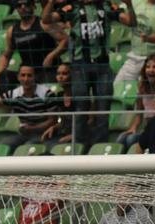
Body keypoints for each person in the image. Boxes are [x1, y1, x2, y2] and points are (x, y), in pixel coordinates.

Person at [43, 0, 131, 145]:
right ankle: (78, 146)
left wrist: (129, 5)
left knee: (103, 107)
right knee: (81, 107)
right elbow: (46, 19)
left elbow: (130, 22)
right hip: (80, 64)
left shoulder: (107, 5)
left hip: (102, 64)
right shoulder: (72, 8)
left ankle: (100, 147)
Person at [0, 0, 65, 94]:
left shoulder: (44, 24)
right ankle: (6, 106)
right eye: (19, 5)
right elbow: (6, 56)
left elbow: (65, 40)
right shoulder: (12, 31)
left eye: (26, 4)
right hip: (28, 73)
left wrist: (51, 56)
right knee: (4, 76)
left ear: (33, 6)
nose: (23, 7)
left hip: (48, 70)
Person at [0, 65, 59, 152]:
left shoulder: (46, 94)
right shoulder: (14, 94)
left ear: (35, 77)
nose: (26, 79)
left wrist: (33, 128)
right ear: (18, 77)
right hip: (25, 134)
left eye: (29, 75)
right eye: (23, 75)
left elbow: (53, 121)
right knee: (4, 145)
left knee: (27, 148)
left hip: (44, 134)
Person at [114, 0, 155, 85]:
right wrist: (121, 9)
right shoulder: (136, 2)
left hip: (154, 62)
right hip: (135, 57)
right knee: (118, 86)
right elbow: (126, 18)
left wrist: (147, 38)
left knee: (147, 91)